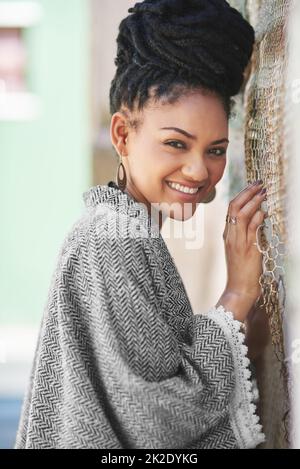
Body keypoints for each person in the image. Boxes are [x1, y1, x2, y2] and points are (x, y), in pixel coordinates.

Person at [15, 0, 268, 449]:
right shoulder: (109, 241)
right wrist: (238, 295)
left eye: (214, 149)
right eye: (176, 143)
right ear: (122, 135)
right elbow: (154, 421)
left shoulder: (129, 231)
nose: (197, 170)